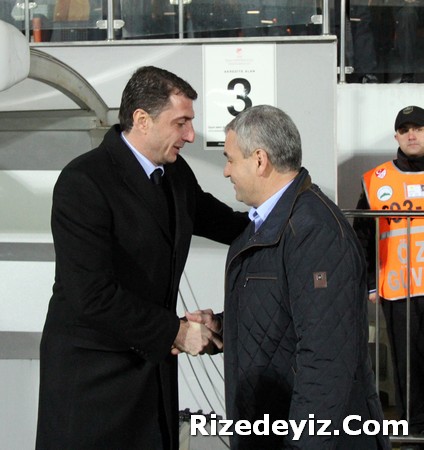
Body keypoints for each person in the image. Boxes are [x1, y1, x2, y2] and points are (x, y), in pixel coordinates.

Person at [35, 66, 248, 449]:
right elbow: (91, 295)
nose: (190, 135)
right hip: (92, 381)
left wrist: (287, 215)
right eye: (181, 123)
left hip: (152, 372)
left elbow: (228, 224)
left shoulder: (175, 174)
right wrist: (176, 332)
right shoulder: (83, 181)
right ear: (142, 120)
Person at [188, 105, 391, 449]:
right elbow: (285, 314)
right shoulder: (269, 223)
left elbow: (325, 359)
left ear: (259, 160)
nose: (225, 171)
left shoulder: (314, 231)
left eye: (230, 159)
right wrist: (223, 326)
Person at [354, 105, 424, 449]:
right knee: (407, 368)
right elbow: (362, 236)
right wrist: (369, 282)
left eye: (418, 128)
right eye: (405, 129)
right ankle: (416, 433)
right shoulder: (376, 180)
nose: (412, 135)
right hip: (399, 290)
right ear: (396, 136)